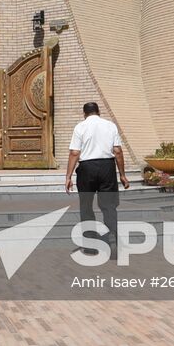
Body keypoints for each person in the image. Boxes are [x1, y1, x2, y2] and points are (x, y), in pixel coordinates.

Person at [64, 101, 129, 248]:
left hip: (86, 168)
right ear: (99, 112)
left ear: (84, 114)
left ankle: (90, 244)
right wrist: (122, 175)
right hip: (107, 167)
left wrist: (68, 177)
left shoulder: (80, 127)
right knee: (109, 205)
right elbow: (117, 151)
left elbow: (74, 152)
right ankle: (112, 235)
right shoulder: (110, 125)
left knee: (86, 206)